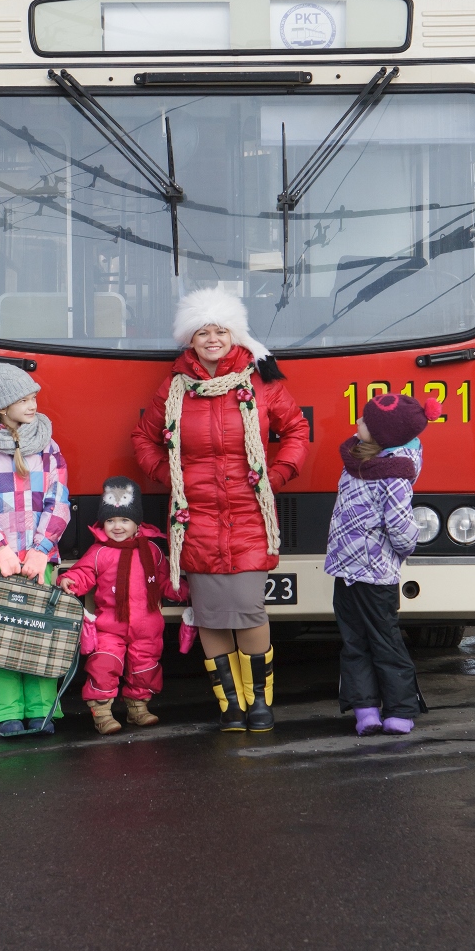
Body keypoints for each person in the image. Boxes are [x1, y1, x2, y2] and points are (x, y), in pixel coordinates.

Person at [132, 288, 310, 733]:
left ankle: (259, 704)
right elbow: (144, 438)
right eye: (203, 331)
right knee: (209, 614)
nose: (212, 338)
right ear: (190, 339)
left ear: (235, 334)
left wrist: (278, 474)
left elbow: (296, 430)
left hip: (250, 515)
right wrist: (170, 476)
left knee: (248, 609)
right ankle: (230, 707)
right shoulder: (173, 389)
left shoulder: (261, 382)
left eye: (220, 330)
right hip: (195, 519)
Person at [0, 362, 70, 736]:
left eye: (34, 396)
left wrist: (40, 550)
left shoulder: (48, 445)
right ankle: (5, 713)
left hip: (39, 560)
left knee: (41, 633)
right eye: (24, 398)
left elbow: (59, 502)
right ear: (2, 406)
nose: (33, 403)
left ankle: (42, 711)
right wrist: (1, 549)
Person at [325, 393, 441, 736]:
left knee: (381, 641)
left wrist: (399, 552)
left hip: (375, 574)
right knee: (356, 641)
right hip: (347, 571)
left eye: (365, 421)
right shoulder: (359, 461)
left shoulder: (394, 476)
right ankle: (366, 712)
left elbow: (402, 527)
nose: (357, 423)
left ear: (384, 434)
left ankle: (399, 711)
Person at [58, 477, 187, 735]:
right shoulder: (98, 552)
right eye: (111, 521)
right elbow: (84, 573)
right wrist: (71, 580)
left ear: (137, 522)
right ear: (103, 523)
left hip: (147, 626)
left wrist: (186, 591)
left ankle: (138, 708)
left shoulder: (152, 551)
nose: (117, 527)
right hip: (110, 626)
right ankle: (102, 712)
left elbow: (164, 581)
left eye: (124, 520)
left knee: (145, 667)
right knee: (104, 665)